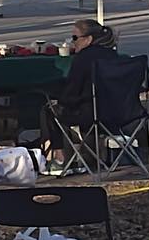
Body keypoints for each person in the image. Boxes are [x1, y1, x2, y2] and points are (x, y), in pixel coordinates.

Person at [44, 18, 119, 169]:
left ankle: (60, 158)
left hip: (90, 113)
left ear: (88, 39)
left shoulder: (83, 59)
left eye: (75, 37)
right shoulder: (113, 56)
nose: (73, 42)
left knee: (50, 110)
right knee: (81, 108)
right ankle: (88, 157)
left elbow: (72, 91)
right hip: (120, 113)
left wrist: (57, 99)